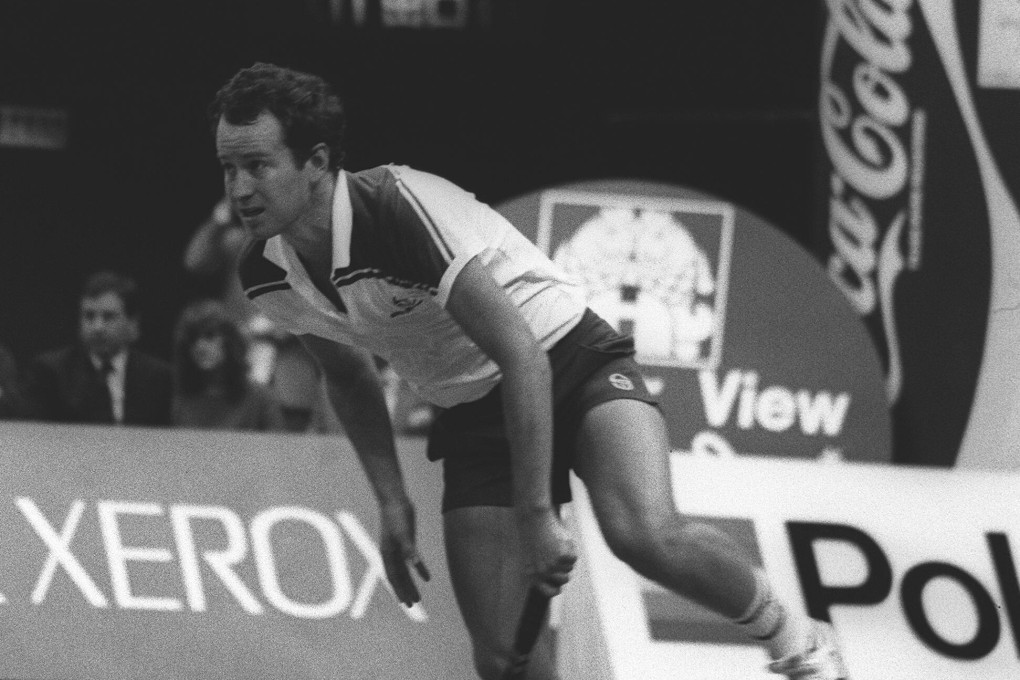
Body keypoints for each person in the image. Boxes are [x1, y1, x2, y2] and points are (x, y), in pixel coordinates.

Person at [209, 62, 848, 680]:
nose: (239, 190)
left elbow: (521, 354)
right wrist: (392, 501)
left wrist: (536, 515)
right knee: (502, 661)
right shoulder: (265, 271)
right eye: (229, 169)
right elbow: (348, 377)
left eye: (258, 166)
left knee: (644, 533)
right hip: (471, 412)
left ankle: (799, 643)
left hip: (569, 359)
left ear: (316, 162)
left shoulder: (397, 206)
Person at [19, 271, 173, 426]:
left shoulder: (158, 378)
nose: (97, 327)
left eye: (108, 317)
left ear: (132, 323)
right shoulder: (52, 373)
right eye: (89, 316)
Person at [171, 298, 286, 431]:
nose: (200, 346)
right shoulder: (183, 397)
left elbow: (277, 442)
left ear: (230, 341)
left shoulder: (261, 398)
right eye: (192, 339)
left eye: (209, 336)